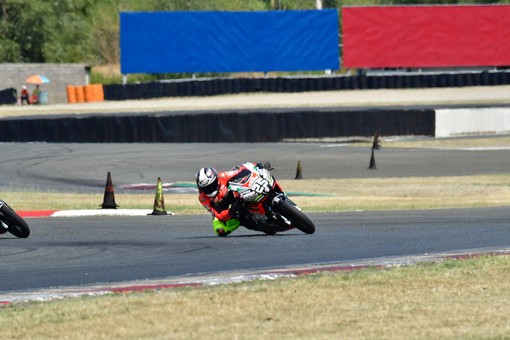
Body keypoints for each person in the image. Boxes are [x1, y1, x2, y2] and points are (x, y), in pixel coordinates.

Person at [196, 162, 272, 237]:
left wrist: (256, 166)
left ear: (216, 179)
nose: (209, 189)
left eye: (211, 185)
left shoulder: (223, 176)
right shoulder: (203, 198)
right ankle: (255, 224)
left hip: (235, 196)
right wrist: (229, 212)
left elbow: (241, 169)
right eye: (205, 188)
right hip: (225, 209)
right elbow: (217, 213)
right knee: (220, 230)